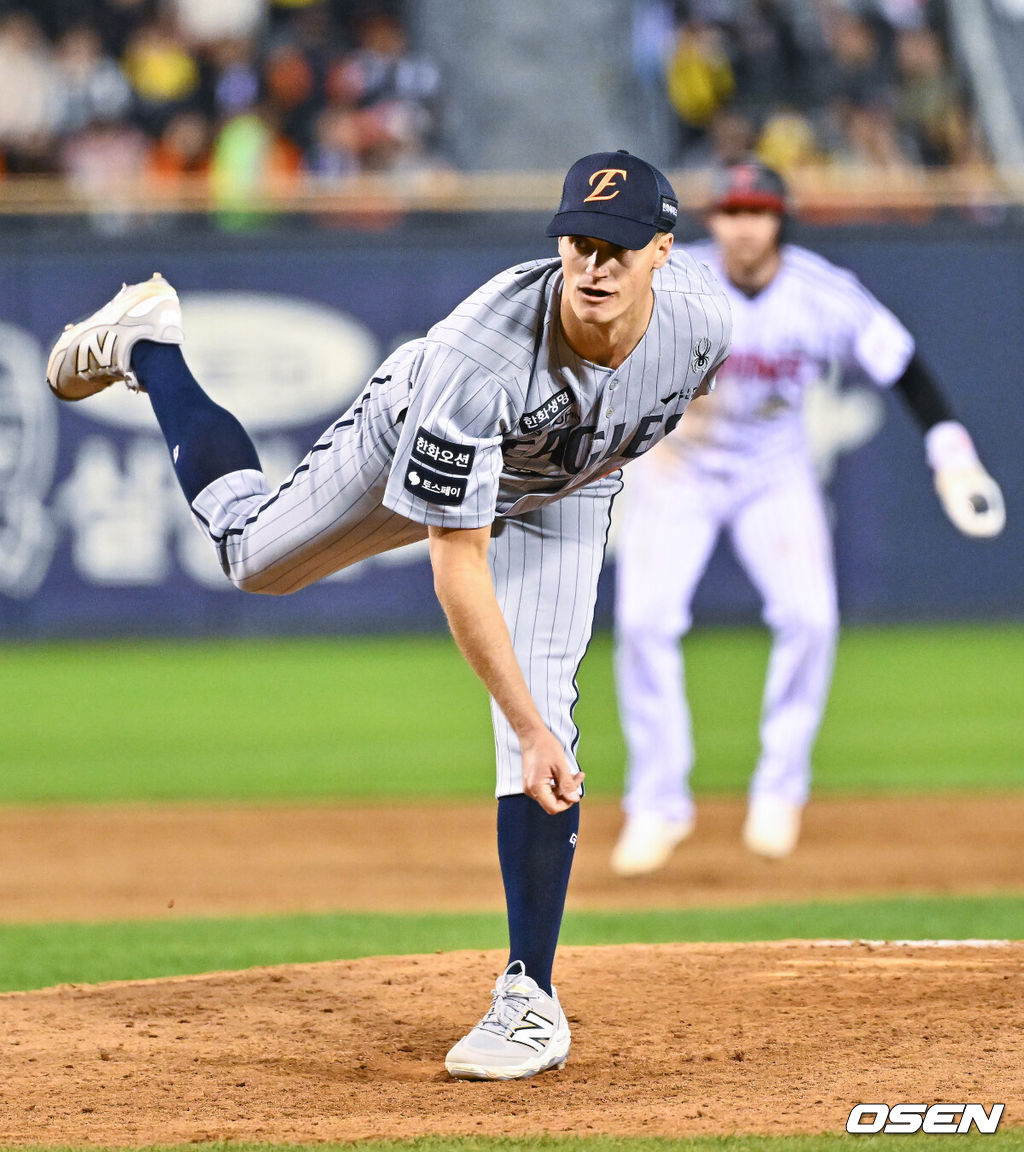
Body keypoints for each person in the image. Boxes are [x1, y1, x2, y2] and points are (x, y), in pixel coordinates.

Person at [46, 149, 731, 1080]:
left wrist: (536, 722)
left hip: (567, 486)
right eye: (578, 242)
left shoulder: (703, 322)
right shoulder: (477, 363)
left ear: (663, 248)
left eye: (616, 246)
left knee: (546, 716)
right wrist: (525, 724)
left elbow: (681, 392)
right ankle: (147, 346)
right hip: (411, 435)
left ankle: (529, 996)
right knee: (253, 560)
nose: (594, 266)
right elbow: (459, 567)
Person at [611, 159, 1005, 876]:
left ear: (779, 219)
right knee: (643, 623)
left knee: (810, 617)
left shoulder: (822, 294)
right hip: (679, 469)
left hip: (774, 471)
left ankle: (779, 789)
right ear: (713, 220)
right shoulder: (673, 281)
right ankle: (658, 804)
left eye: (757, 211)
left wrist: (952, 453)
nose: (743, 225)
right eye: (730, 211)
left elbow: (903, 364)